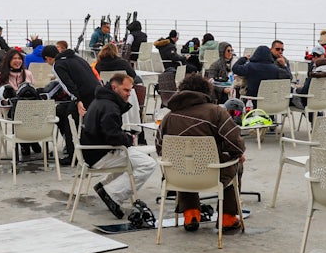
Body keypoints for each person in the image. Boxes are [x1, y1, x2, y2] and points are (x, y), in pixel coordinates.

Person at [157, 74, 245, 231]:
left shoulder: (168, 117)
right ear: (206, 92)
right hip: (212, 175)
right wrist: (236, 154)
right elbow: (235, 144)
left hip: (178, 178)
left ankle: (191, 214)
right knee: (235, 164)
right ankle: (227, 217)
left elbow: (159, 147)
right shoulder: (216, 113)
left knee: (182, 163)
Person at [80, 73, 157, 219]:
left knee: (135, 159)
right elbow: (113, 137)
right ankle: (113, 193)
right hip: (101, 154)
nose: (129, 94)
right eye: (126, 90)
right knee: (148, 164)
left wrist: (125, 138)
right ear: (114, 87)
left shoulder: (101, 101)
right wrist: (128, 138)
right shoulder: (110, 107)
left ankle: (105, 185)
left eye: (130, 90)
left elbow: (110, 133)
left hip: (91, 151)